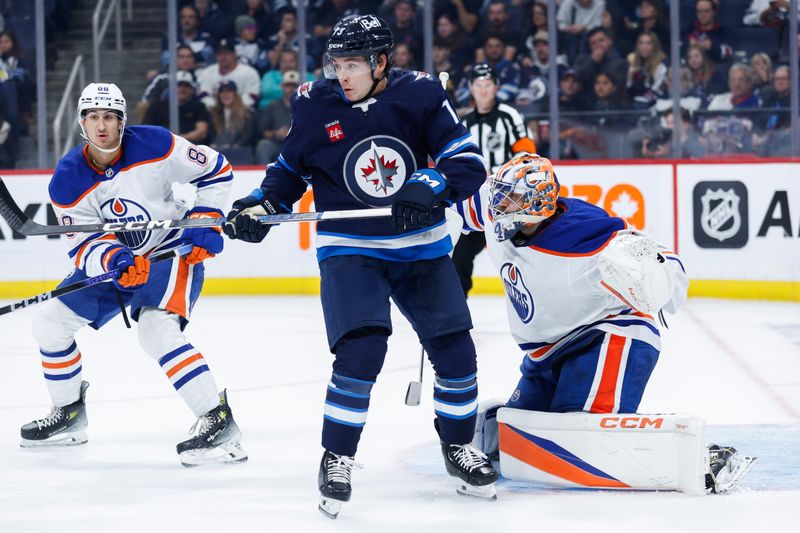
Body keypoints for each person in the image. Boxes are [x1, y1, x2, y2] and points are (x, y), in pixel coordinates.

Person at [223, 14, 497, 519]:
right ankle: (337, 457)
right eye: (337, 63)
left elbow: (467, 161)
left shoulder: (421, 95)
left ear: (381, 63)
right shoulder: (313, 102)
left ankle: (457, 446)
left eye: (353, 64)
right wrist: (261, 205)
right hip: (351, 248)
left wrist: (432, 184)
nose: (342, 74)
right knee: (361, 352)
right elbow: (287, 173)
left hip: (421, 247)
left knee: (456, 351)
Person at [456, 153, 753, 494]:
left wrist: (657, 277)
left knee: (581, 437)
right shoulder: (500, 217)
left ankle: (702, 460)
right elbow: (456, 209)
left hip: (611, 333)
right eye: (501, 195)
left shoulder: (586, 233)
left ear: (537, 202)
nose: (499, 204)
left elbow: (666, 265)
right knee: (516, 436)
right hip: (546, 351)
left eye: (511, 198)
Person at [19, 82, 247, 468]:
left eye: (110, 117)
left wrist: (205, 219)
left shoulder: (156, 144)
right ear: (82, 123)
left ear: (123, 121)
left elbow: (216, 169)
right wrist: (113, 258)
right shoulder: (68, 178)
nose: (102, 125)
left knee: (156, 330)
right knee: (49, 324)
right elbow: (83, 245)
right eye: (93, 117)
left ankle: (217, 420)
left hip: (168, 250)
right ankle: (69, 414)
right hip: (118, 264)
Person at [453, 64, 536, 296]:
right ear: (471, 88)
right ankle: (458, 310)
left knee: (524, 254)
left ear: (496, 87)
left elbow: (527, 154)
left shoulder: (510, 116)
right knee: (460, 255)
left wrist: (500, 172)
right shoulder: (465, 123)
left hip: (510, 202)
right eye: (478, 85)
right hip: (479, 204)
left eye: (487, 85)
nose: (483, 90)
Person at [143, 70, 212, 145]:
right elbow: (145, 130)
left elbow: (201, 132)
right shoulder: (157, 106)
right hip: (160, 146)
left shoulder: (199, 106)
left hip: (190, 147)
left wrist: (177, 139)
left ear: (192, 90)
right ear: (171, 88)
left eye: (186, 86)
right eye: (178, 85)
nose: (182, 89)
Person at [255, 70, 299, 164]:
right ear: (282, 87)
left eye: (294, 86)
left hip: (298, 145)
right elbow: (262, 131)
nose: (291, 89)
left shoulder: (305, 107)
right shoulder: (272, 106)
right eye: (288, 86)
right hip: (277, 144)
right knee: (263, 145)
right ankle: (263, 175)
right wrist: (276, 133)